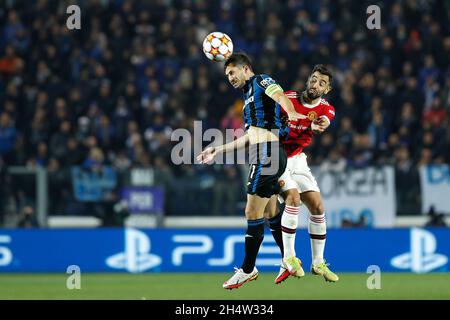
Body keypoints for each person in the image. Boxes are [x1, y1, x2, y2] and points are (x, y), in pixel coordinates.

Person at [197, 52, 305, 289]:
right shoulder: (247, 98)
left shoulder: (260, 81)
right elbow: (249, 137)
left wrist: (292, 111)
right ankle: (289, 259)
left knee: (251, 211)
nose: (230, 78)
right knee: (269, 213)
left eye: (232, 72)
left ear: (245, 68)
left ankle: (248, 269)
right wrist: (217, 150)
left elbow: (278, 94)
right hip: (264, 152)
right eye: (227, 75)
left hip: (268, 153)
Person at [265, 64, 339, 283]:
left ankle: (318, 262)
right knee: (293, 199)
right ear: (309, 80)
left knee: (317, 206)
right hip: (275, 157)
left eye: (322, 83)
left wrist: (318, 127)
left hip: (297, 159)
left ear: (327, 90)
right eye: (314, 79)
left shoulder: (327, 110)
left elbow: (323, 122)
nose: (315, 84)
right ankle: (289, 258)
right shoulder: (287, 98)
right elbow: (268, 124)